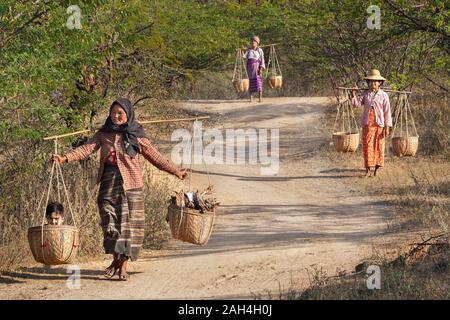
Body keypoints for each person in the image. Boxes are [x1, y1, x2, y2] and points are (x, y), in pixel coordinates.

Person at [52, 97, 187, 281]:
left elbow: (155, 157)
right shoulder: (103, 134)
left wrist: (176, 171)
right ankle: (116, 259)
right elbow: (85, 149)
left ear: (128, 114)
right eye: (113, 113)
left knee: (127, 227)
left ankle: (122, 264)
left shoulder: (136, 135)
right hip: (108, 182)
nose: (116, 116)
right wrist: (64, 158)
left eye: (120, 113)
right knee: (109, 221)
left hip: (131, 185)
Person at [351, 69, 392, 177]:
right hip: (368, 125)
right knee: (368, 146)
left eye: (376, 81)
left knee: (379, 147)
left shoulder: (384, 96)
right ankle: (368, 170)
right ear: (368, 83)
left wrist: (387, 126)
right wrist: (353, 94)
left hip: (379, 125)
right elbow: (356, 104)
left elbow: (387, 112)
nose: (373, 83)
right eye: (371, 81)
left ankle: (376, 169)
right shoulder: (366, 94)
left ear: (380, 83)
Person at [241, 35, 266, 102]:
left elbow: (262, 60)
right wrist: (241, 51)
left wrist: (261, 69)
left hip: (257, 68)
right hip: (250, 69)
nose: (253, 42)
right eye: (252, 41)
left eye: (254, 41)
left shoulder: (259, 50)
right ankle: (251, 98)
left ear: (257, 43)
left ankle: (260, 97)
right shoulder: (248, 50)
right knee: (250, 82)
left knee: (258, 82)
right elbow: (244, 57)